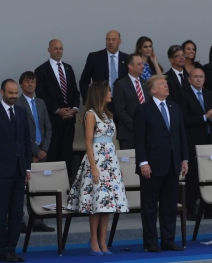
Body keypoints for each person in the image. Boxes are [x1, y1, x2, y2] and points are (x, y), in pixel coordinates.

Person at [67, 82, 129, 255]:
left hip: (110, 162)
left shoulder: (108, 114)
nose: (111, 93)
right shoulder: (91, 114)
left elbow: (111, 141)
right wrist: (93, 167)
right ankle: (93, 239)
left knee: (107, 203)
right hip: (96, 160)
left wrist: (116, 164)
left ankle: (103, 240)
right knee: (96, 203)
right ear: (100, 93)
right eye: (108, 91)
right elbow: (88, 141)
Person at [0, 79, 33, 263]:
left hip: (19, 171)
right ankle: (2, 250)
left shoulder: (21, 112)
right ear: (2, 92)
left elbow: (26, 142)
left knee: (17, 212)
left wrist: (28, 167)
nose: (13, 96)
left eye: (15, 93)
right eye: (10, 93)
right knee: (2, 212)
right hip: (1, 172)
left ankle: (12, 248)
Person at [135, 75, 188, 252]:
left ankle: (168, 240)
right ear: (152, 90)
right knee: (150, 206)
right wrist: (143, 162)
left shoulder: (175, 108)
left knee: (169, 205)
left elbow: (181, 136)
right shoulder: (144, 110)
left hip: (172, 164)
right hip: (152, 165)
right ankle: (150, 242)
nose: (166, 86)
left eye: (166, 84)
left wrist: (184, 159)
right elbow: (139, 139)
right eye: (162, 84)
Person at [34, 40, 81, 179]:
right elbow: (42, 95)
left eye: (61, 48)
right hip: (53, 120)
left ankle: (66, 186)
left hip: (69, 120)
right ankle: (53, 185)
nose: (59, 51)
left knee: (67, 155)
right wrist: (57, 110)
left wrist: (75, 108)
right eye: (56, 48)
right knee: (53, 153)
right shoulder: (41, 70)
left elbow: (74, 91)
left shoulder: (68, 68)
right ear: (49, 50)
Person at [180, 67, 212, 217]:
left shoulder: (209, 94)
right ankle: (191, 210)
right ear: (189, 79)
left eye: (201, 77)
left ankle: (210, 210)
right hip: (193, 141)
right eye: (195, 77)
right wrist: (204, 117)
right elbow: (183, 119)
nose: (199, 79)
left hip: (210, 140)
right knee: (193, 177)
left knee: (210, 175)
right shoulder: (183, 95)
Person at [112, 54, 150, 150]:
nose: (142, 66)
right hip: (128, 133)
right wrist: (136, 126)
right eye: (139, 64)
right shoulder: (120, 84)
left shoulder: (145, 83)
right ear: (130, 66)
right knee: (130, 163)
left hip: (147, 132)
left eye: (142, 63)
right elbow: (120, 110)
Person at [79, 30, 129, 95]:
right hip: (100, 100)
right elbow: (84, 81)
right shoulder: (94, 57)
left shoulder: (127, 58)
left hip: (121, 101)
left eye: (113, 40)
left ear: (119, 42)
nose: (110, 42)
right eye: (108, 39)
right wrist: (88, 100)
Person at [17, 72, 51, 167]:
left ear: (36, 84)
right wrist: (36, 151)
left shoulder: (41, 102)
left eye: (33, 81)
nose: (30, 84)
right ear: (21, 84)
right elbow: (21, 131)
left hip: (43, 151)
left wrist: (43, 150)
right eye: (27, 81)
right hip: (26, 150)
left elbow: (48, 127)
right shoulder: (17, 104)